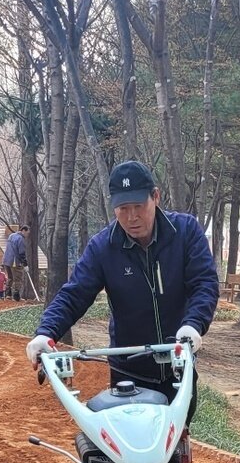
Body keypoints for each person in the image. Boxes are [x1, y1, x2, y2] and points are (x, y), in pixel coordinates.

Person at [26, 160, 218, 428]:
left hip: (178, 367)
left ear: (156, 196)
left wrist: (193, 324)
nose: (132, 217)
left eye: (139, 206)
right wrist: (46, 332)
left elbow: (204, 283)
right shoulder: (103, 248)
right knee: (123, 453)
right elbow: (75, 294)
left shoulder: (185, 232)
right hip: (128, 371)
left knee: (173, 450)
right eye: (123, 208)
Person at [1, 224, 31, 301]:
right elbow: (21, 253)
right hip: (14, 261)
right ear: (23, 230)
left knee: (10, 277)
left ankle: (8, 295)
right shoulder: (20, 239)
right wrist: (25, 264)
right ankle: (16, 296)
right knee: (18, 278)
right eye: (27, 233)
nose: (27, 235)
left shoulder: (11, 236)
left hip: (6, 260)